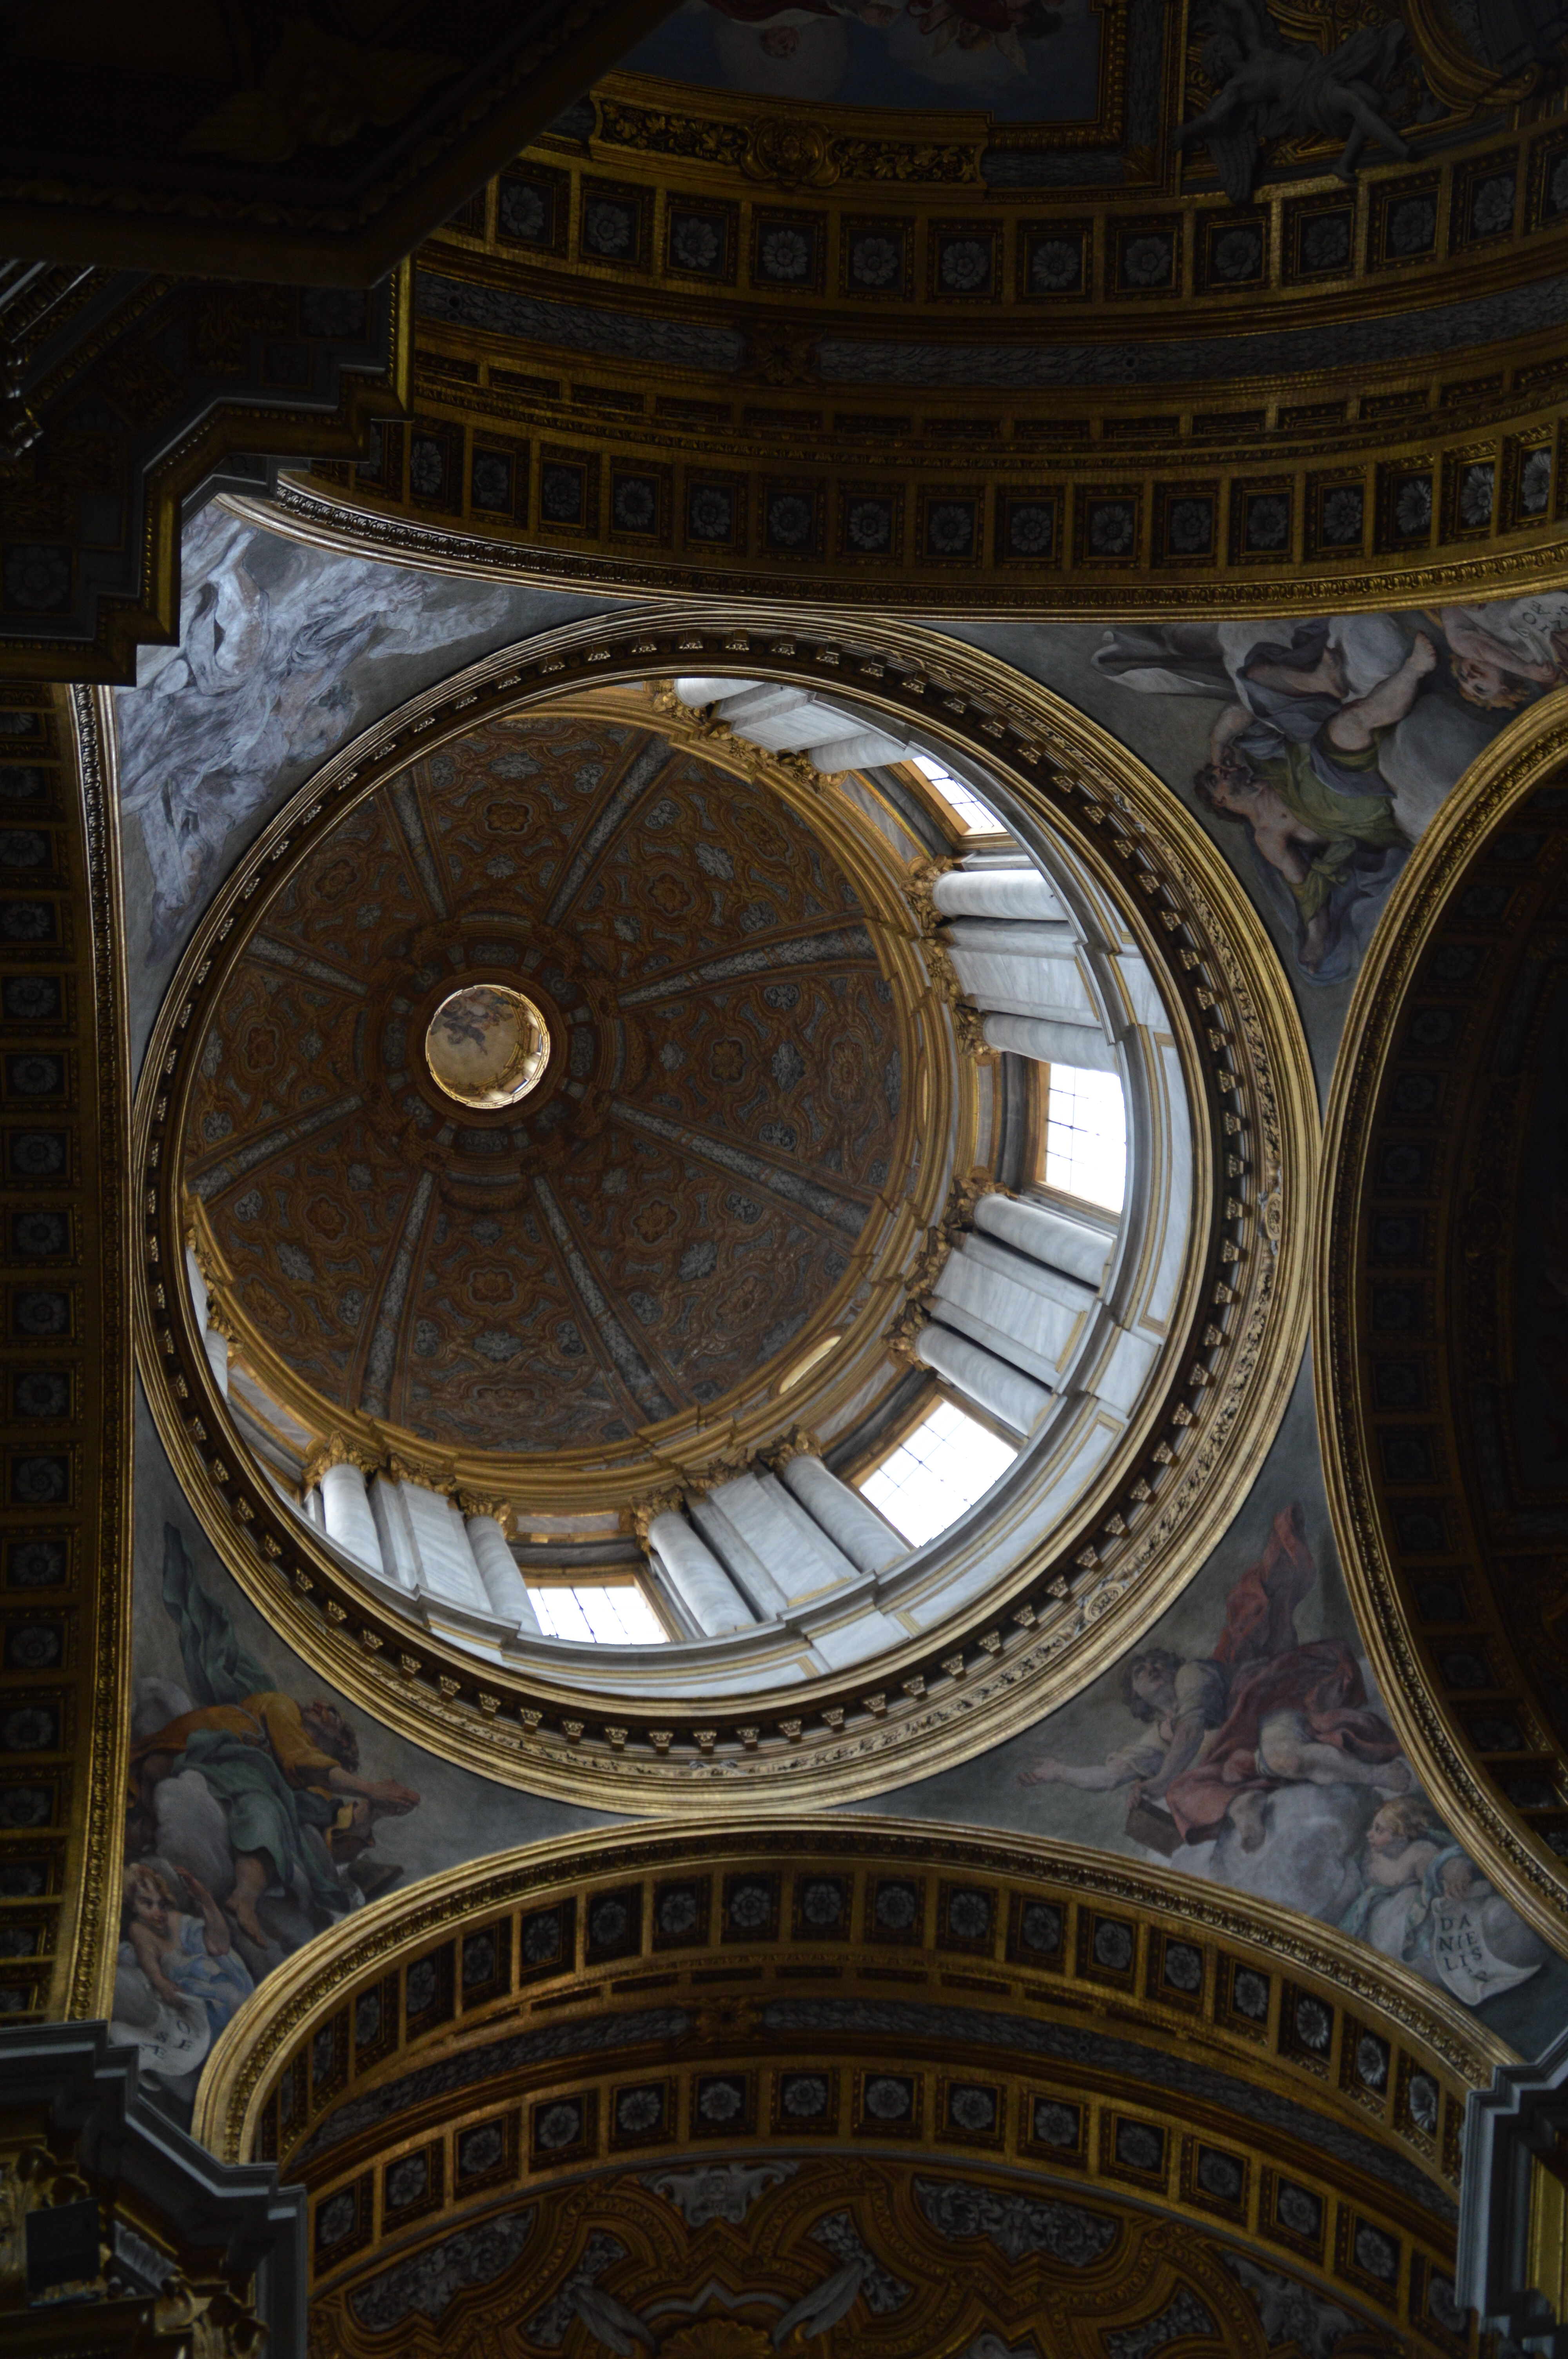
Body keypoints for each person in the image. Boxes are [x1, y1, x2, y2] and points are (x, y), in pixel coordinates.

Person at [1018, 1504, 1407, 1851]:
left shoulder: (1193, 1675)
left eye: (1156, 1663)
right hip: (1237, 1759)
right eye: (1139, 1672)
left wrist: (1156, 1782)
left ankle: (1375, 1775)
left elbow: (1190, 1734)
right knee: (1183, 1790)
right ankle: (1241, 1805)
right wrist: (1061, 1773)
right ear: (1136, 1696)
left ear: (1172, 1667)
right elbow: (1111, 1775)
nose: (1151, 1669)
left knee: (1279, 1758)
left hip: (1263, 1712)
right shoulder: (1160, 1734)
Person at [1192, 634, 1437, 972]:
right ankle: (1415, 670)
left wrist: (1218, 743)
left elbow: (1241, 710)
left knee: (1254, 680)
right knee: (1348, 725)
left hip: (1318, 758)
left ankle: (1319, 679)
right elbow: (1305, 888)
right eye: (1214, 778)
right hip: (1339, 805)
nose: (1222, 772)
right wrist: (1315, 938)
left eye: (1216, 771)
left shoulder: (1262, 765)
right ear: (1220, 800)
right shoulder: (1267, 834)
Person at [131, 1690, 418, 1944]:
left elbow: (327, 1846)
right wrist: (370, 1790)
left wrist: (373, 1812)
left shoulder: (316, 1790)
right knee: (266, 1808)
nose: (317, 1702)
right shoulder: (283, 1706)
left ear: (342, 1740)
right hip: (206, 1745)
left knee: (276, 1815)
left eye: (330, 1712)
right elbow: (301, 1759)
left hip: (233, 1775)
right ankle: (245, 1897)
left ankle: (239, 1895)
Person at [121, 1861, 253, 2039]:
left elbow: (220, 1945)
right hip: (194, 2006)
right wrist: (161, 1983)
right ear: (132, 1905)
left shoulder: (175, 1920)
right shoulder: (139, 1930)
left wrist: (204, 1898)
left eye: (162, 1905)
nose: (158, 1912)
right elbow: (149, 1962)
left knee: (235, 2001)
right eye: (148, 1904)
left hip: (216, 1988)